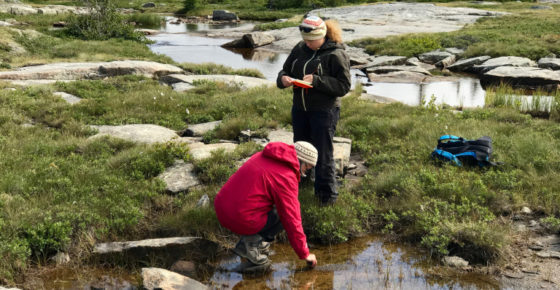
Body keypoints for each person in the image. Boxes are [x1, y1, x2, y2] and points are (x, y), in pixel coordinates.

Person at [276, 15, 351, 205]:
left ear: (323, 35)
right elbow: (285, 70)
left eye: (311, 40)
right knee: (300, 149)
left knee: (322, 153)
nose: (307, 44)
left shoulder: (335, 54)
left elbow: (343, 86)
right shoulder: (300, 48)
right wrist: (283, 79)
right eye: (305, 40)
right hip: (300, 109)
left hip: (324, 112)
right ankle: (301, 184)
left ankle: (327, 197)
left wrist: (316, 81)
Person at [214, 141, 319, 267]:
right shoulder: (286, 176)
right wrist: (305, 253)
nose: (305, 173)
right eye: (307, 168)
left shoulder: (263, 155)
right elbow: (291, 218)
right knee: (283, 214)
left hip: (221, 208)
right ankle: (250, 245)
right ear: (301, 161)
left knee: (277, 205)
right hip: (240, 218)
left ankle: (251, 242)